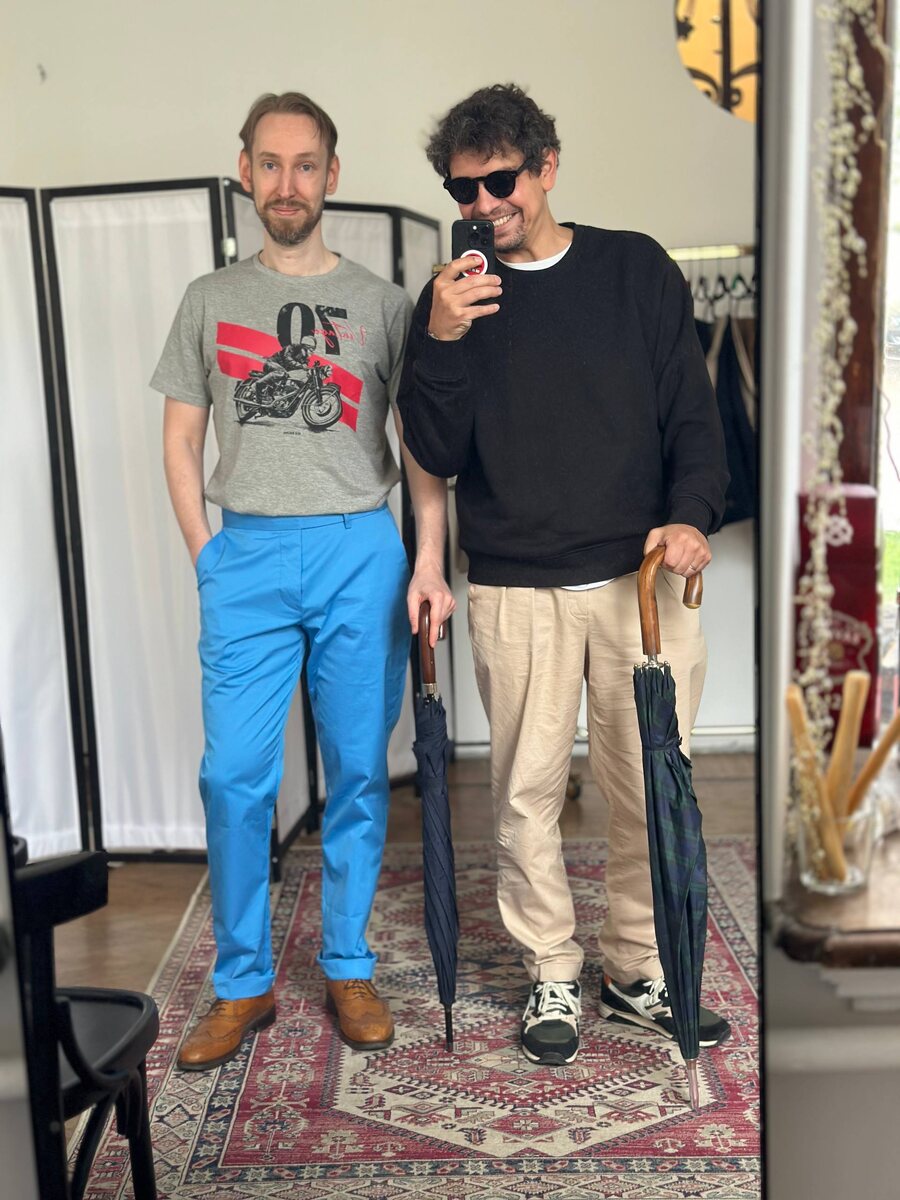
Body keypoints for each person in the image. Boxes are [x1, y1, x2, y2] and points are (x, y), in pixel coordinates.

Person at [398, 83, 731, 1067]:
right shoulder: (448, 302)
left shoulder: (635, 269)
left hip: (640, 584)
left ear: (546, 167)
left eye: (500, 181)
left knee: (646, 792)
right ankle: (551, 965)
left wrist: (691, 514)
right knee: (524, 797)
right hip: (514, 585)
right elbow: (434, 451)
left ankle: (636, 969)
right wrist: (442, 340)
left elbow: (695, 420)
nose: (484, 204)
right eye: (463, 190)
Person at [152, 92, 453, 1071]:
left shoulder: (385, 304)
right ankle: (243, 981)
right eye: (271, 163)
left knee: (359, 768)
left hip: (359, 549)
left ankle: (348, 963)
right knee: (234, 776)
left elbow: (419, 447)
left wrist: (426, 559)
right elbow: (181, 439)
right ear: (246, 170)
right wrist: (207, 553)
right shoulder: (209, 299)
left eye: (306, 164)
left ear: (332, 174)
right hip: (246, 555)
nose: (288, 183)